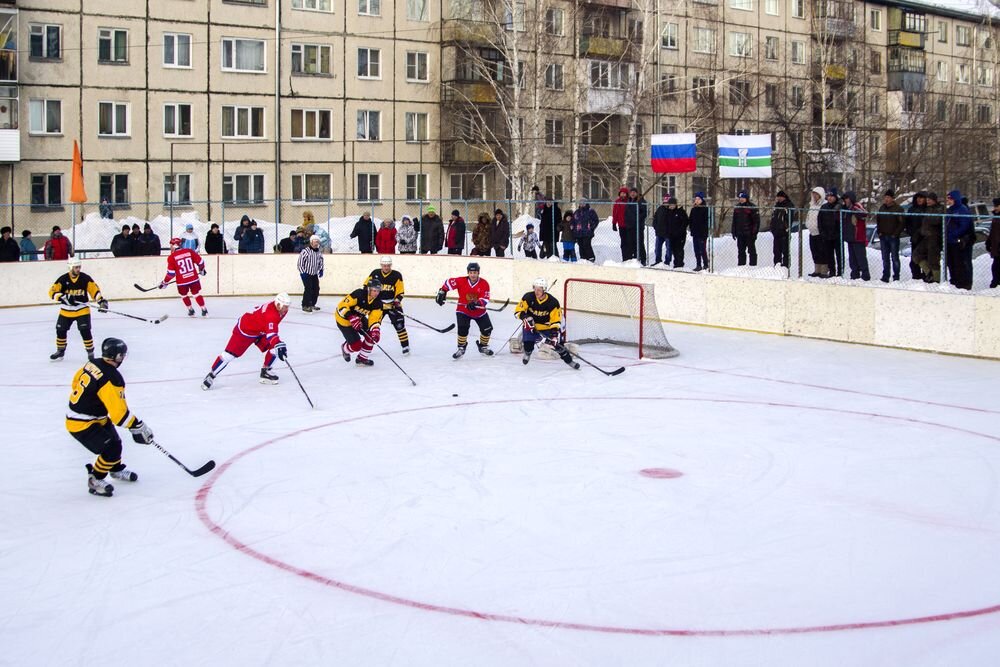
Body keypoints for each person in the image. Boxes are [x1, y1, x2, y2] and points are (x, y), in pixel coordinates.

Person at [66, 337, 152, 497]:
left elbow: (76, 381)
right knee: (111, 449)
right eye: (122, 355)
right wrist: (137, 425)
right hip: (81, 423)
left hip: (93, 416)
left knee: (116, 443)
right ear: (117, 356)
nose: (123, 358)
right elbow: (119, 416)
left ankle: (115, 469)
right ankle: (95, 479)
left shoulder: (93, 363)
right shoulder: (112, 378)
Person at [202, 294, 291, 389]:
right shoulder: (271, 315)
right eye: (285, 306)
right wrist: (277, 343)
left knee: (275, 348)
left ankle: (266, 371)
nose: (286, 309)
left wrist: (277, 344)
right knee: (228, 355)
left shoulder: (281, 310)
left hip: (260, 330)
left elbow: (270, 328)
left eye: (287, 306)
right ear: (278, 304)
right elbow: (271, 333)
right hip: (245, 331)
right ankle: (211, 375)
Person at [48, 257, 108, 361]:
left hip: (82, 309)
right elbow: (52, 292)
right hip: (66, 310)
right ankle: (60, 350)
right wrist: (64, 297)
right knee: (60, 330)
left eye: (79, 267)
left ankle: (90, 351)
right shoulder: (63, 279)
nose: (78, 269)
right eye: (76, 267)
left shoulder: (85, 278)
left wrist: (101, 301)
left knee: (85, 330)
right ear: (70, 267)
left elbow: (94, 290)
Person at [514, 278, 580, 370]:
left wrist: (554, 335)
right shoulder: (528, 297)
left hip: (547, 328)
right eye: (535, 288)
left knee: (558, 346)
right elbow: (517, 311)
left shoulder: (553, 302)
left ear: (544, 290)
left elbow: (556, 321)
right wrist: (525, 317)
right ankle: (528, 353)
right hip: (531, 326)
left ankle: (569, 361)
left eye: (539, 289)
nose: (536, 292)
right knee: (528, 346)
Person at [436, 262, 493, 359]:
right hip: (463, 310)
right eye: (471, 272)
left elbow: (485, 298)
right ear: (468, 273)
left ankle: (483, 346)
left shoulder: (484, 283)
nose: (473, 275)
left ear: (478, 273)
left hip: (479, 311)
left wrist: (477, 303)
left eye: (475, 272)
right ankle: (461, 348)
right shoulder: (461, 280)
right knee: (462, 328)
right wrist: (442, 292)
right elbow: (448, 283)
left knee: (487, 329)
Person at [336, 278, 385, 367]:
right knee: (356, 346)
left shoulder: (378, 303)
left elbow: (374, 318)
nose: (376, 293)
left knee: (372, 336)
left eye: (378, 291)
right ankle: (345, 348)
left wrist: (375, 330)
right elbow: (342, 306)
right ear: (369, 289)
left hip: (359, 318)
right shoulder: (359, 294)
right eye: (374, 290)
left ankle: (362, 359)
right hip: (344, 319)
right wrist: (350, 317)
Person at [365, 256, 409, 354]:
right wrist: (370, 300)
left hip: (392, 305)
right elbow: (366, 286)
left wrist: (397, 300)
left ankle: (405, 346)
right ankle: (366, 348)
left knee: (400, 326)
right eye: (384, 265)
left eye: (388, 265)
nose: (386, 267)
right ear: (381, 265)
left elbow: (400, 291)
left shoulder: (396, 275)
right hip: (377, 305)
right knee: (372, 327)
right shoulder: (375, 273)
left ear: (391, 265)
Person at [160, 237, 208, 316]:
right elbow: (201, 262)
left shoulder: (171, 257)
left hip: (182, 282)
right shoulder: (189, 251)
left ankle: (191, 310)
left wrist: (164, 282)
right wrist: (201, 270)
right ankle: (204, 309)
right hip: (193, 278)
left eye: (171, 245)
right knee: (196, 294)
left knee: (184, 295)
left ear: (174, 246)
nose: (170, 247)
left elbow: (171, 274)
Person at [945, 190, 974, 290]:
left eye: (950, 199)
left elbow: (964, 225)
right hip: (950, 241)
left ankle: (963, 283)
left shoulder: (962, 210)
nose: (948, 201)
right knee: (951, 262)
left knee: (960, 263)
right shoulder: (950, 210)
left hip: (958, 241)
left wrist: (954, 234)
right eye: (948, 199)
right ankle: (954, 280)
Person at [876, 190, 905, 282]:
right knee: (885, 258)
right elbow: (878, 221)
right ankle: (885, 276)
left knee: (894, 258)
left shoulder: (898, 209)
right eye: (885, 197)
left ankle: (896, 277)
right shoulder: (882, 208)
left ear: (892, 198)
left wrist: (895, 234)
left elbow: (902, 223)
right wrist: (879, 232)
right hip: (883, 236)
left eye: (888, 197)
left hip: (893, 237)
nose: (886, 199)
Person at [841, 191, 870, 281]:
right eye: (845, 199)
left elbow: (864, 213)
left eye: (847, 198)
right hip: (850, 237)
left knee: (861, 258)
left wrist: (853, 210)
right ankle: (854, 275)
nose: (845, 200)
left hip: (858, 237)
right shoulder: (845, 209)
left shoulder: (857, 206)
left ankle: (865, 275)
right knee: (852, 259)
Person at [920, 192, 945, 283]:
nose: (928, 201)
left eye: (930, 200)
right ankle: (929, 273)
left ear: (934, 200)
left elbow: (936, 221)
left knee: (933, 260)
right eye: (927, 200)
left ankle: (936, 279)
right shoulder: (927, 209)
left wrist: (928, 215)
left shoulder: (939, 209)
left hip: (935, 237)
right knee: (917, 255)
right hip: (926, 237)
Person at [731, 191, 760, 266]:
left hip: (749, 234)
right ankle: (741, 266)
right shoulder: (737, 207)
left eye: (743, 198)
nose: (741, 199)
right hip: (740, 233)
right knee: (741, 251)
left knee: (751, 251)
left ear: (746, 198)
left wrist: (754, 233)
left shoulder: (752, 207)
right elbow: (734, 221)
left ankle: (753, 266)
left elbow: (756, 222)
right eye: (740, 198)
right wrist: (733, 231)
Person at [818, 188, 842, 277]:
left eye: (832, 196)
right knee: (829, 255)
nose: (830, 198)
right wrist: (822, 232)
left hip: (837, 235)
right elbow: (819, 220)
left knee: (839, 255)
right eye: (828, 196)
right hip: (827, 235)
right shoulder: (824, 207)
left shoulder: (839, 207)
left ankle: (840, 272)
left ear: (835, 197)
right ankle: (832, 271)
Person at [298, 234, 324, 312]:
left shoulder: (319, 252)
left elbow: (321, 261)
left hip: (314, 274)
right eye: (315, 241)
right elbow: (300, 263)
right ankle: (305, 305)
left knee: (316, 289)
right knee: (308, 289)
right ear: (311, 242)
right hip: (306, 273)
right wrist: (303, 273)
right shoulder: (305, 251)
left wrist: (321, 269)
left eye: (317, 242)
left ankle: (312, 304)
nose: (316, 243)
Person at [805, 187, 827, 277]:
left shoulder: (824, 205)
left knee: (822, 252)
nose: (814, 196)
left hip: (820, 233)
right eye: (813, 194)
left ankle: (823, 271)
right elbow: (808, 217)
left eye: (816, 194)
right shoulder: (812, 205)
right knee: (815, 251)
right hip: (812, 232)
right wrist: (808, 224)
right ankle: (817, 270)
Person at [905, 192, 927, 280]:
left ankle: (926, 275)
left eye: (921, 198)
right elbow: (907, 223)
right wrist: (912, 232)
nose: (919, 199)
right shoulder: (912, 209)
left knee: (925, 258)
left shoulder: (928, 209)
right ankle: (916, 276)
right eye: (918, 197)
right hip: (915, 237)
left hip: (925, 238)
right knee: (914, 259)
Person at [770, 190, 794, 268]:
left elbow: (789, 218)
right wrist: (772, 228)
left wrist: (786, 227)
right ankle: (777, 265)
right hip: (776, 232)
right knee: (776, 251)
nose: (779, 198)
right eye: (778, 197)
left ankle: (786, 267)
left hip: (784, 232)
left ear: (784, 197)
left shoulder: (788, 206)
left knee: (785, 251)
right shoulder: (777, 206)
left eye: (780, 197)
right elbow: (773, 218)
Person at [624, 187, 648, 264]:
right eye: (631, 192)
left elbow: (644, 213)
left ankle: (643, 259)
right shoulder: (629, 201)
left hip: (638, 226)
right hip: (630, 226)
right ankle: (633, 259)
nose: (633, 194)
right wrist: (627, 221)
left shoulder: (641, 201)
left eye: (634, 192)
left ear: (637, 193)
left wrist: (636, 219)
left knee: (640, 243)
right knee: (630, 243)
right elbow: (626, 213)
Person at [690, 192, 710, 271]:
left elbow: (706, 222)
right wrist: (692, 229)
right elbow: (691, 220)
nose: (697, 201)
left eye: (698, 199)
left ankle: (705, 264)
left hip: (702, 234)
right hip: (695, 233)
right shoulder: (693, 209)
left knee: (702, 249)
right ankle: (698, 265)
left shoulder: (705, 209)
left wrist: (704, 231)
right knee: (696, 250)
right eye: (696, 199)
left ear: (702, 200)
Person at [651, 195, 673, 267]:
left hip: (668, 233)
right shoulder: (660, 209)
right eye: (665, 202)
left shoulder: (671, 210)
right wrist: (656, 227)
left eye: (667, 202)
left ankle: (667, 262)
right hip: (659, 232)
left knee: (668, 248)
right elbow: (655, 218)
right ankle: (658, 261)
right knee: (657, 248)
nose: (666, 203)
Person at [612, 186, 629, 261]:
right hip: (621, 225)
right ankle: (624, 257)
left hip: (629, 225)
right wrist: (614, 223)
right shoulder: (617, 202)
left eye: (624, 193)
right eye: (622, 193)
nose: (623, 195)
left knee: (629, 241)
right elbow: (615, 213)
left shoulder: (629, 201)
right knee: (623, 242)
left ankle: (630, 257)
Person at [988, 197, 1000, 289]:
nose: (995, 208)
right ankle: (995, 282)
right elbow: (992, 231)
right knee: (995, 266)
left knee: (996, 266)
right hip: (996, 246)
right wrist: (988, 242)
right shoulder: (995, 217)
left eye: (997, 206)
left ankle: (996, 283)